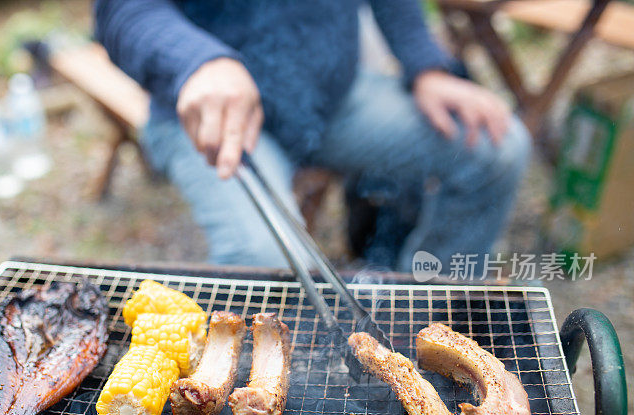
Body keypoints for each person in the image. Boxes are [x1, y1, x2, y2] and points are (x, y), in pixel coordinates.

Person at [94, 0, 531, 272]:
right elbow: (122, 10)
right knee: (268, 263)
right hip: (215, 113)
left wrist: (426, 66)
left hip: (331, 100)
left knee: (497, 147)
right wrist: (195, 60)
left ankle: (428, 315)